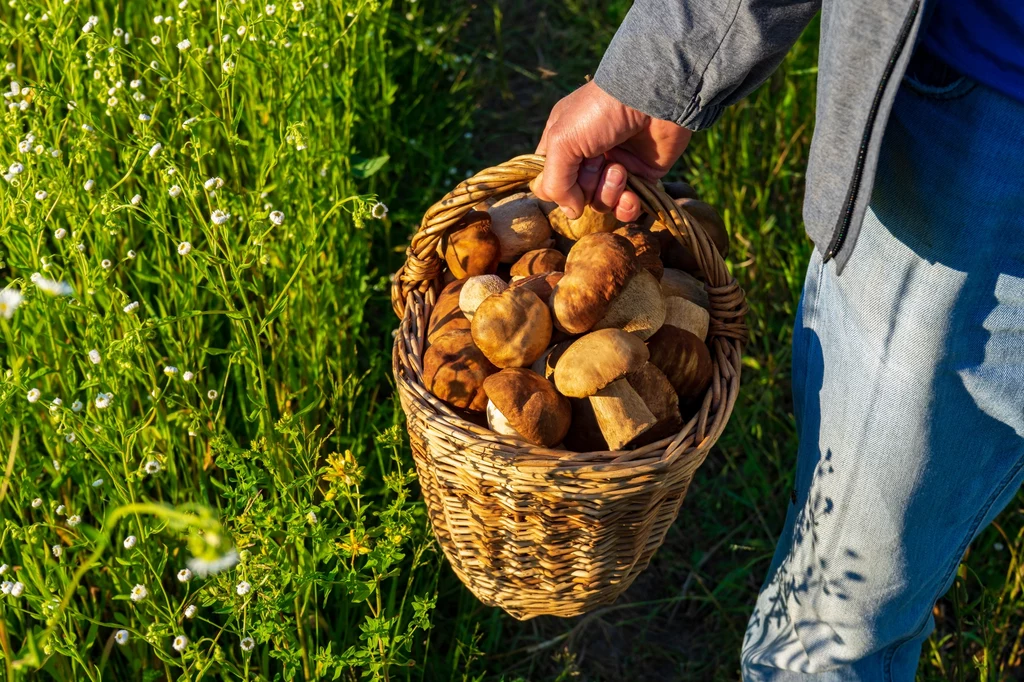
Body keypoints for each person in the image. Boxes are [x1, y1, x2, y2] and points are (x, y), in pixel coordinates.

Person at [532, 0, 1024, 679]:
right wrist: (675, 63)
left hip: (983, 139)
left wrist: (676, 55)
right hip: (995, 111)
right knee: (848, 596)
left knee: (831, 626)